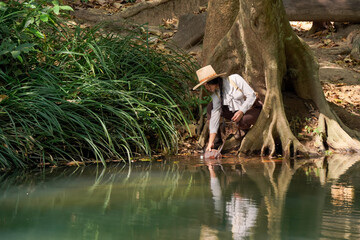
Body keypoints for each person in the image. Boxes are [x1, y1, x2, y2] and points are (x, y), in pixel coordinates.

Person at [193, 65, 262, 152]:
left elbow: (251, 96)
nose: (206, 88)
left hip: (252, 109)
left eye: (206, 84)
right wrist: (211, 142)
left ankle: (244, 129)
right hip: (235, 115)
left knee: (244, 119)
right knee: (211, 107)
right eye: (204, 85)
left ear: (213, 81)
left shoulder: (235, 79)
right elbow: (214, 117)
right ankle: (216, 141)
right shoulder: (216, 95)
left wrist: (242, 111)